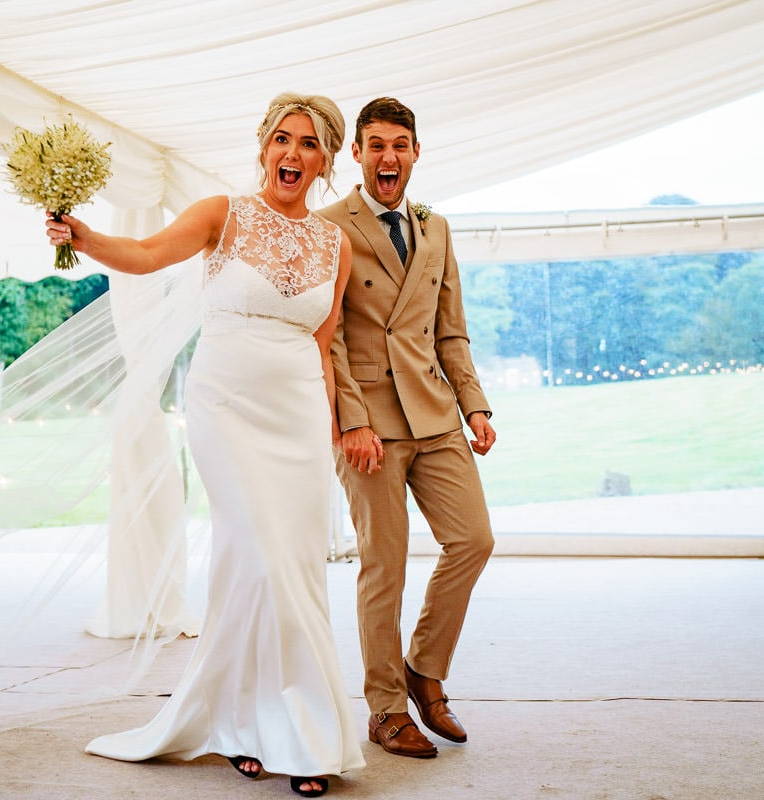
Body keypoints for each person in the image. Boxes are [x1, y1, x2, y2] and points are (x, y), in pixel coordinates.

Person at [45, 93, 365, 797]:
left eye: (309, 144)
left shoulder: (336, 245)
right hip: (226, 410)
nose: (293, 153)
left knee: (283, 570)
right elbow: (148, 253)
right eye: (282, 139)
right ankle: (307, 741)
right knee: (264, 559)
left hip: (300, 419)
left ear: (325, 162)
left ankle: (239, 725)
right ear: (263, 147)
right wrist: (85, 237)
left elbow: (324, 344)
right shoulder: (223, 214)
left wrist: (337, 428)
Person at [318, 97, 496, 759]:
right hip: (369, 426)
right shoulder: (326, 226)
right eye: (375, 145)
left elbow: (450, 329)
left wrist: (474, 406)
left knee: (474, 539)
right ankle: (386, 709)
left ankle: (424, 668)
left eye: (399, 145)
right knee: (383, 569)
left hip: (436, 415)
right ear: (357, 155)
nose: (387, 157)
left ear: (415, 153)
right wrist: (350, 422)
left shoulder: (436, 227)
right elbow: (326, 334)